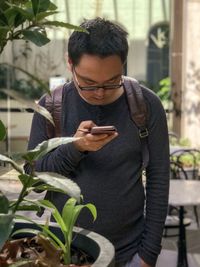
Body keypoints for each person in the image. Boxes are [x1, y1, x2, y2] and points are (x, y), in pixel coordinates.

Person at [26, 17, 169, 267]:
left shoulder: (146, 105)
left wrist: (148, 254)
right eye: (89, 83)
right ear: (70, 64)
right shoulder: (50, 107)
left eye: (112, 81)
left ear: (123, 64)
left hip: (129, 253)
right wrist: (75, 147)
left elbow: (159, 179)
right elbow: (33, 179)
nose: (100, 93)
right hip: (62, 252)